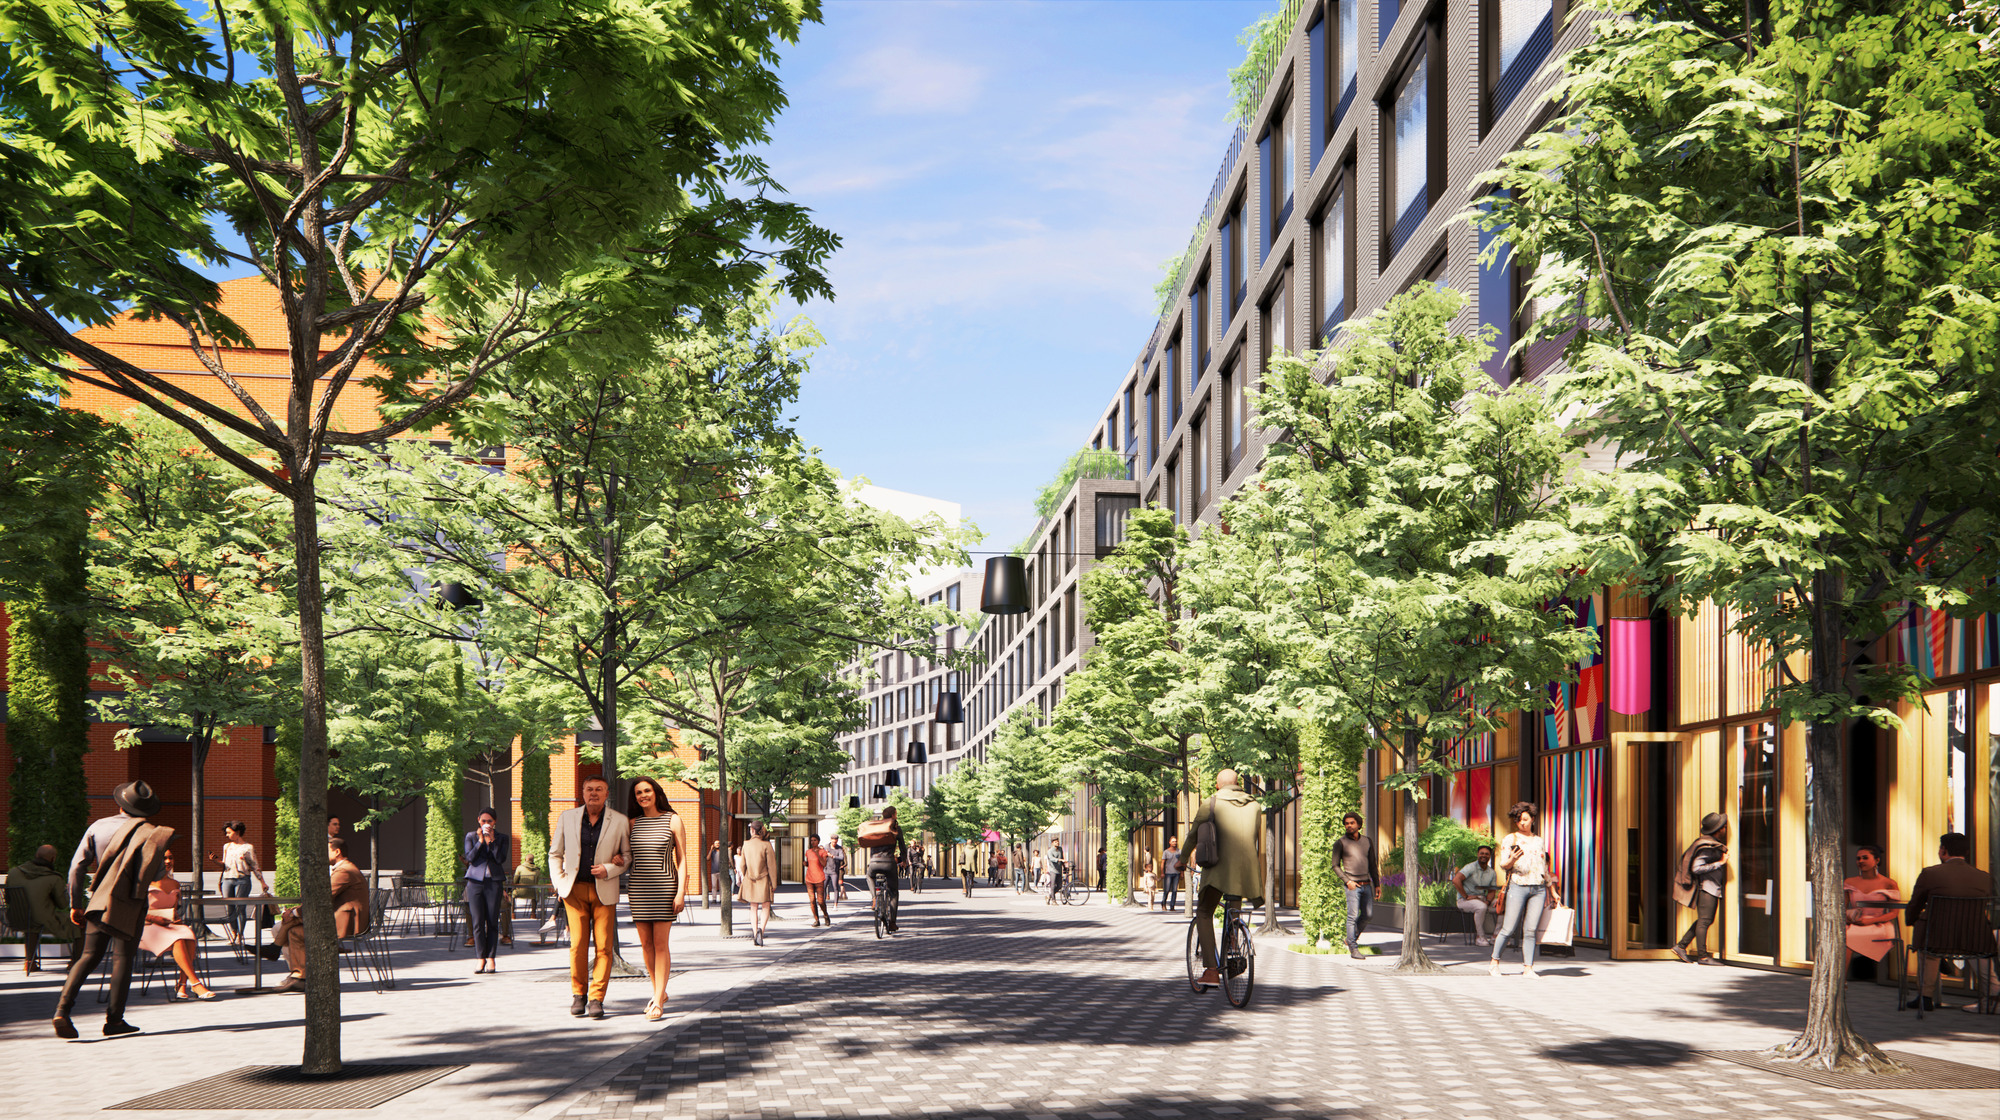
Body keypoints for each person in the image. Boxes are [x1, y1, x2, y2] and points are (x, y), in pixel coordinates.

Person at [54, 779, 172, 1039]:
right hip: (130, 904)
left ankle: (62, 1011)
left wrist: (76, 904)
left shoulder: (98, 826)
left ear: (121, 803)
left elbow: (76, 867)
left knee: (88, 957)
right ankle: (114, 1020)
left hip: (98, 901)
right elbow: (159, 872)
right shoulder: (152, 832)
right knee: (123, 960)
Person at [550, 775, 630, 1020]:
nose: (593, 793)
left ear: (607, 794)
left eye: (599, 789)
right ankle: (578, 994)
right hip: (574, 891)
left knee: (604, 947)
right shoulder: (568, 817)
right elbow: (555, 854)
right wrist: (560, 883)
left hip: (604, 891)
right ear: (582, 793)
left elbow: (627, 856)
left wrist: (611, 868)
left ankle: (596, 998)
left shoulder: (620, 821)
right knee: (578, 945)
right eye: (589, 789)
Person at [1179, 769, 1265, 987]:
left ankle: (1210, 970)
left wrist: (1181, 860)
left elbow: (1194, 835)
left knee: (1204, 912)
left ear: (1218, 786)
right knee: (1233, 914)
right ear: (1238, 784)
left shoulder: (1212, 802)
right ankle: (1233, 944)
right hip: (1245, 872)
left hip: (1218, 870)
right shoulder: (1255, 805)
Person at [1903, 831, 1995, 1012]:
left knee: (1927, 940)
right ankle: (1991, 992)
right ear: (1966, 853)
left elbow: (1916, 903)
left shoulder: (1930, 873)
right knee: (1979, 944)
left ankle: (1925, 996)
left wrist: (1911, 920)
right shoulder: (1984, 877)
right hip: (1974, 940)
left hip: (1937, 939)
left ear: (1943, 850)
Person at [268, 835, 370, 993]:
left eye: (326, 851)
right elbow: (320, 898)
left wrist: (295, 912)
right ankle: (297, 975)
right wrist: (295, 911)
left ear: (337, 852)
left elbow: (322, 898)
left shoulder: (344, 871)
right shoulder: (344, 868)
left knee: (291, 929)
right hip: (339, 917)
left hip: (347, 923)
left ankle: (297, 974)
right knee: (289, 927)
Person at [624, 777, 685, 1021]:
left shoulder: (673, 819)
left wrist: (681, 892)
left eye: (647, 791)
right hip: (638, 889)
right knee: (646, 945)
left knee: (661, 944)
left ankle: (658, 1000)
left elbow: (682, 859)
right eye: (638, 792)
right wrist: (619, 860)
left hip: (664, 888)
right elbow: (625, 855)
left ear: (656, 792)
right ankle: (658, 990)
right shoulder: (632, 823)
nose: (643, 795)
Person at [1490, 801, 1561, 978]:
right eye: (1519, 820)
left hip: (1538, 889)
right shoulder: (1510, 839)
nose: (1522, 823)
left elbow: (1544, 868)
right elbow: (1503, 865)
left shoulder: (1539, 841)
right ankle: (1494, 962)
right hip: (1518, 886)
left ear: (1533, 820)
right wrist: (1512, 859)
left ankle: (1528, 968)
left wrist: (1552, 891)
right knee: (1509, 928)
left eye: (1525, 819)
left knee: (1530, 930)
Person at [142, 850, 217, 1000]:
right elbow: (136, 912)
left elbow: (174, 911)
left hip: (168, 925)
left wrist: (176, 920)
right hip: (148, 927)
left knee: (188, 934)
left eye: (171, 857)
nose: (168, 861)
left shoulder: (175, 884)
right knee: (179, 938)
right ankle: (195, 983)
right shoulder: (143, 883)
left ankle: (182, 985)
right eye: (164, 858)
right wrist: (156, 919)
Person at [6, 844, 78, 974]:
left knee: (31, 923)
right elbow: (62, 904)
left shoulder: (13, 872)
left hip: (15, 919)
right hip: (43, 921)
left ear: (36, 856)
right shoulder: (54, 877)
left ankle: (30, 962)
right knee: (79, 924)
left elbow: (8, 899)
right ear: (52, 859)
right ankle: (76, 962)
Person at [1672, 814, 1729, 964]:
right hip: (1707, 889)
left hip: (1711, 888)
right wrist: (1720, 862)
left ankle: (1681, 946)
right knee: (1704, 921)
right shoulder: (1707, 847)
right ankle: (1703, 956)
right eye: (1723, 826)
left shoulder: (1711, 844)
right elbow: (1696, 868)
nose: (1725, 828)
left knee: (1704, 920)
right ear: (1718, 830)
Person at [463, 807, 509, 974]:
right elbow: (470, 858)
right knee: (477, 922)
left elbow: (499, 859)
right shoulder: (471, 836)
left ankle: (491, 958)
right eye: (483, 821)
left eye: (489, 821)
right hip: (475, 883)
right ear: (478, 821)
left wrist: (490, 840)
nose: (486, 824)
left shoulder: (502, 838)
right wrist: (481, 841)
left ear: (495, 822)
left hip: (494, 883)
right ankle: (480, 958)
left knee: (492, 921)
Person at [1841, 844, 1901, 973]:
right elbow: (1842, 908)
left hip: (1879, 924)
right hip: (1855, 922)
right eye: (1858, 859)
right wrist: (1849, 919)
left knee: (1846, 938)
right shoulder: (1850, 882)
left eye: (1865, 858)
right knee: (1841, 935)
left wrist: (1870, 921)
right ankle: (1839, 982)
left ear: (1877, 860)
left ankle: (1840, 982)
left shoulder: (1889, 883)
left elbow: (1894, 913)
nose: (1861, 861)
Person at [212, 821, 272, 947]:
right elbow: (225, 864)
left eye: (229, 832)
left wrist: (262, 881)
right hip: (227, 879)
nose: (227, 835)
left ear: (237, 832)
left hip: (242, 879)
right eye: (226, 832)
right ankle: (233, 933)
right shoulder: (227, 846)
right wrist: (215, 861)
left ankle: (240, 934)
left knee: (240, 907)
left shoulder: (247, 847)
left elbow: (255, 865)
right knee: (229, 907)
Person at [1333, 812, 1378, 957]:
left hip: (1367, 884)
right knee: (1352, 916)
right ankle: (1353, 947)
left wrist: (1377, 884)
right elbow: (1335, 865)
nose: (1349, 826)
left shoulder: (1367, 841)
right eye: (1346, 823)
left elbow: (1372, 865)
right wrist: (1348, 881)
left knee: (1368, 915)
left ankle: (1350, 938)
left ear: (1359, 825)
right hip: (1352, 885)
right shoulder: (1340, 843)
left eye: (1352, 823)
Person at [865, 806, 907, 932]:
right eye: (896, 813)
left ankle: (874, 898)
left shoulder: (876, 826)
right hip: (889, 862)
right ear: (893, 815)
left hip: (874, 862)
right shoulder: (895, 827)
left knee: (869, 876)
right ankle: (892, 922)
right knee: (893, 892)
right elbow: (902, 847)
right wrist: (903, 860)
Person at [1453, 845, 1501, 945]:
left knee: (1502, 904)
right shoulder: (1470, 867)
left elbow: (1492, 891)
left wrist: (1488, 901)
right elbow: (1456, 880)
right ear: (1478, 855)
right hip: (1465, 900)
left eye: (1486, 854)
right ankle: (1480, 937)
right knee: (1481, 907)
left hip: (1482, 899)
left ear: (1490, 856)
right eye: (1481, 853)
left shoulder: (1492, 872)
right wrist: (1465, 896)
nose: (1484, 855)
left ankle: (1496, 936)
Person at [740, 821, 777, 945]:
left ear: (752, 831)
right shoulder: (766, 845)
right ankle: (762, 929)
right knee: (766, 905)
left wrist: (745, 876)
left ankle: (755, 932)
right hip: (764, 879)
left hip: (750, 879)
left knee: (753, 907)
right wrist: (774, 882)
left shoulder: (746, 844)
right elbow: (772, 865)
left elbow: (742, 865)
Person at [803, 834, 831, 926]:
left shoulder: (823, 852)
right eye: (811, 840)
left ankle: (826, 915)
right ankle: (816, 920)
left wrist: (817, 854)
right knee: (812, 900)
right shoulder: (808, 852)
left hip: (819, 878)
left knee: (820, 901)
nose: (813, 842)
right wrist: (806, 863)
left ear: (818, 841)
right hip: (809, 879)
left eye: (814, 840)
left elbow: (823, 864)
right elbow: (810, 864)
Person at [1161, 837, 1183, 913]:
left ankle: (1172, 906)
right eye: (1173, 841)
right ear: (1170, 842)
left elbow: (1182, 862)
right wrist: (1162, 872)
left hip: (1176, 873)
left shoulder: (1179, 851)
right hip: (1168, 873)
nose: (1174, 843)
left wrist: (1182, 873)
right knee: (1166, 890)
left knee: (1174, 890)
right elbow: (1163, 863)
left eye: (1175, 841)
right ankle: (1163, 903)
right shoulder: (1166, 852)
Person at [704, 841, 727, 909]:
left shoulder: (722, 852)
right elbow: (707, 858)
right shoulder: (713, 852)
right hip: (713, 871)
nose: (717, 844)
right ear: (713, 844)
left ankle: (721, 899)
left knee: (721, 886)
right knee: (714, 886)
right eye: (716, 843)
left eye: (718, 843)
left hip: (721, 872)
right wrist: (711, 849)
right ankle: (714, 899)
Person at [829, 837, 848, 902]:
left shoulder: (843, 855)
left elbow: (845, 862)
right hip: (836, 869)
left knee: (840, 883)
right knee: (839, 883)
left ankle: (841, 895)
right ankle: (845, 895)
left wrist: (842, 866)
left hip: (840, 870)